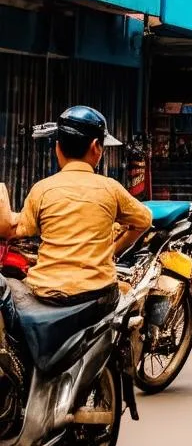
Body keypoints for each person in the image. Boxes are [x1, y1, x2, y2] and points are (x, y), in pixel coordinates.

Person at [1, 106, 153, 317]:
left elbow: (17, 229)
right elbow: (144, 220)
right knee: (130, 302)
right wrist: (114, 250)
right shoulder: (110, 188)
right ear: (96, 147)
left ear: (57, 147)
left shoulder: (42, 189)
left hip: (45, 292)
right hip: (96, 294)